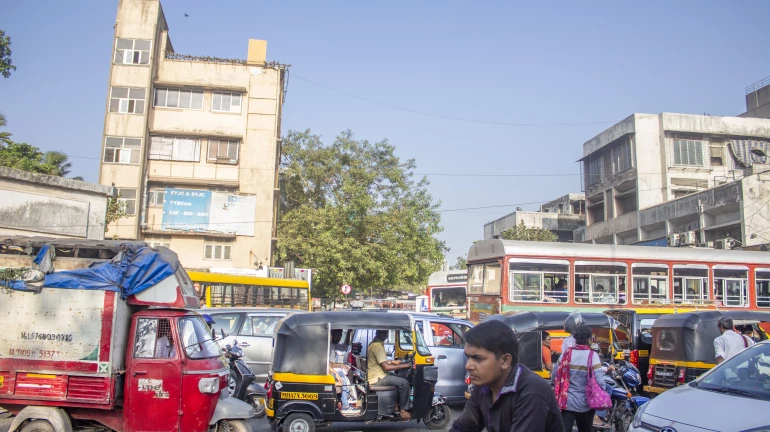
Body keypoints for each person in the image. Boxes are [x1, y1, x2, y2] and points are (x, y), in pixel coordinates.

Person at [451, 320, 563, 432]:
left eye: (478, 358)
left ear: (505, 361)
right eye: (468, 357)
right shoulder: (484, 386)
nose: (468, 366)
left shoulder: (531, 392)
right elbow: (464, 426)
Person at [552, 325, 608, 432]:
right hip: (586, 403)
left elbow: (555, 375)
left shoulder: (566, 354)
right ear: (589, 339)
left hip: (566, 402)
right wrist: (603, 391)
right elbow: (600, 380)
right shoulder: (592, 355)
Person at [367, 330, 413, 420]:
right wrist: (405, 365)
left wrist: (393, 362)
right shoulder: (377, 346)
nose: (386, 335)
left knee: (399, 378)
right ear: (379, 333)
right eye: (384, 333)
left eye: (386, 333)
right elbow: (386, 367)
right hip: (377, 378)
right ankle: (404, 410)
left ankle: (396, 407)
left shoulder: (375, 344)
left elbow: (380, 362)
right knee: (404, 383)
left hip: (376, 375)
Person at [330, 329, 357, 413]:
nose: (338, 339)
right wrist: (340, 365)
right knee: (342, 377)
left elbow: (345, 347)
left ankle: (348, 395)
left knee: (347, 374)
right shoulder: (328, 346)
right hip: (328, 371)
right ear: (332, 336)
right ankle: (345, 404)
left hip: (332, 370)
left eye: (340, 337)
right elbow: (329, 364)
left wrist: (348, 333)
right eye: (337, 337)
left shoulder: (334, 345)